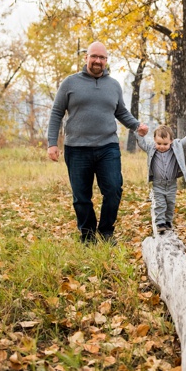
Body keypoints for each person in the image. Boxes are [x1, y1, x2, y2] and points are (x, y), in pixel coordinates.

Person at [48, 41, 148, 244]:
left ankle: (106, 232)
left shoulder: (113, 85)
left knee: (113, 189)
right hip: (76, 149)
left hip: (108, 147)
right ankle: (88, 235)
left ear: (106, 61)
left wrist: (137, 125)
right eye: (94, 56)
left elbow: (121, 112)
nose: (97, 61)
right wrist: (52, 143)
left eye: (102, 58)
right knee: (81, 197)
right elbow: (57, 112)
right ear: (86, 58)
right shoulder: (70, 83)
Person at [136, 124, 186, 234]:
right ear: (154, 140)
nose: (162, 146)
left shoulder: (176, 147)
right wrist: (139, 134)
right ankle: (160, 223)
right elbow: (142, 143)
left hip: (171, 183)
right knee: (160, 204)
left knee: (170, 203)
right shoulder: (151, 148)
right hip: (158, 183)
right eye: (159, 143)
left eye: (165, 144)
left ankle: (168, 221)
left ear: (171, 141)